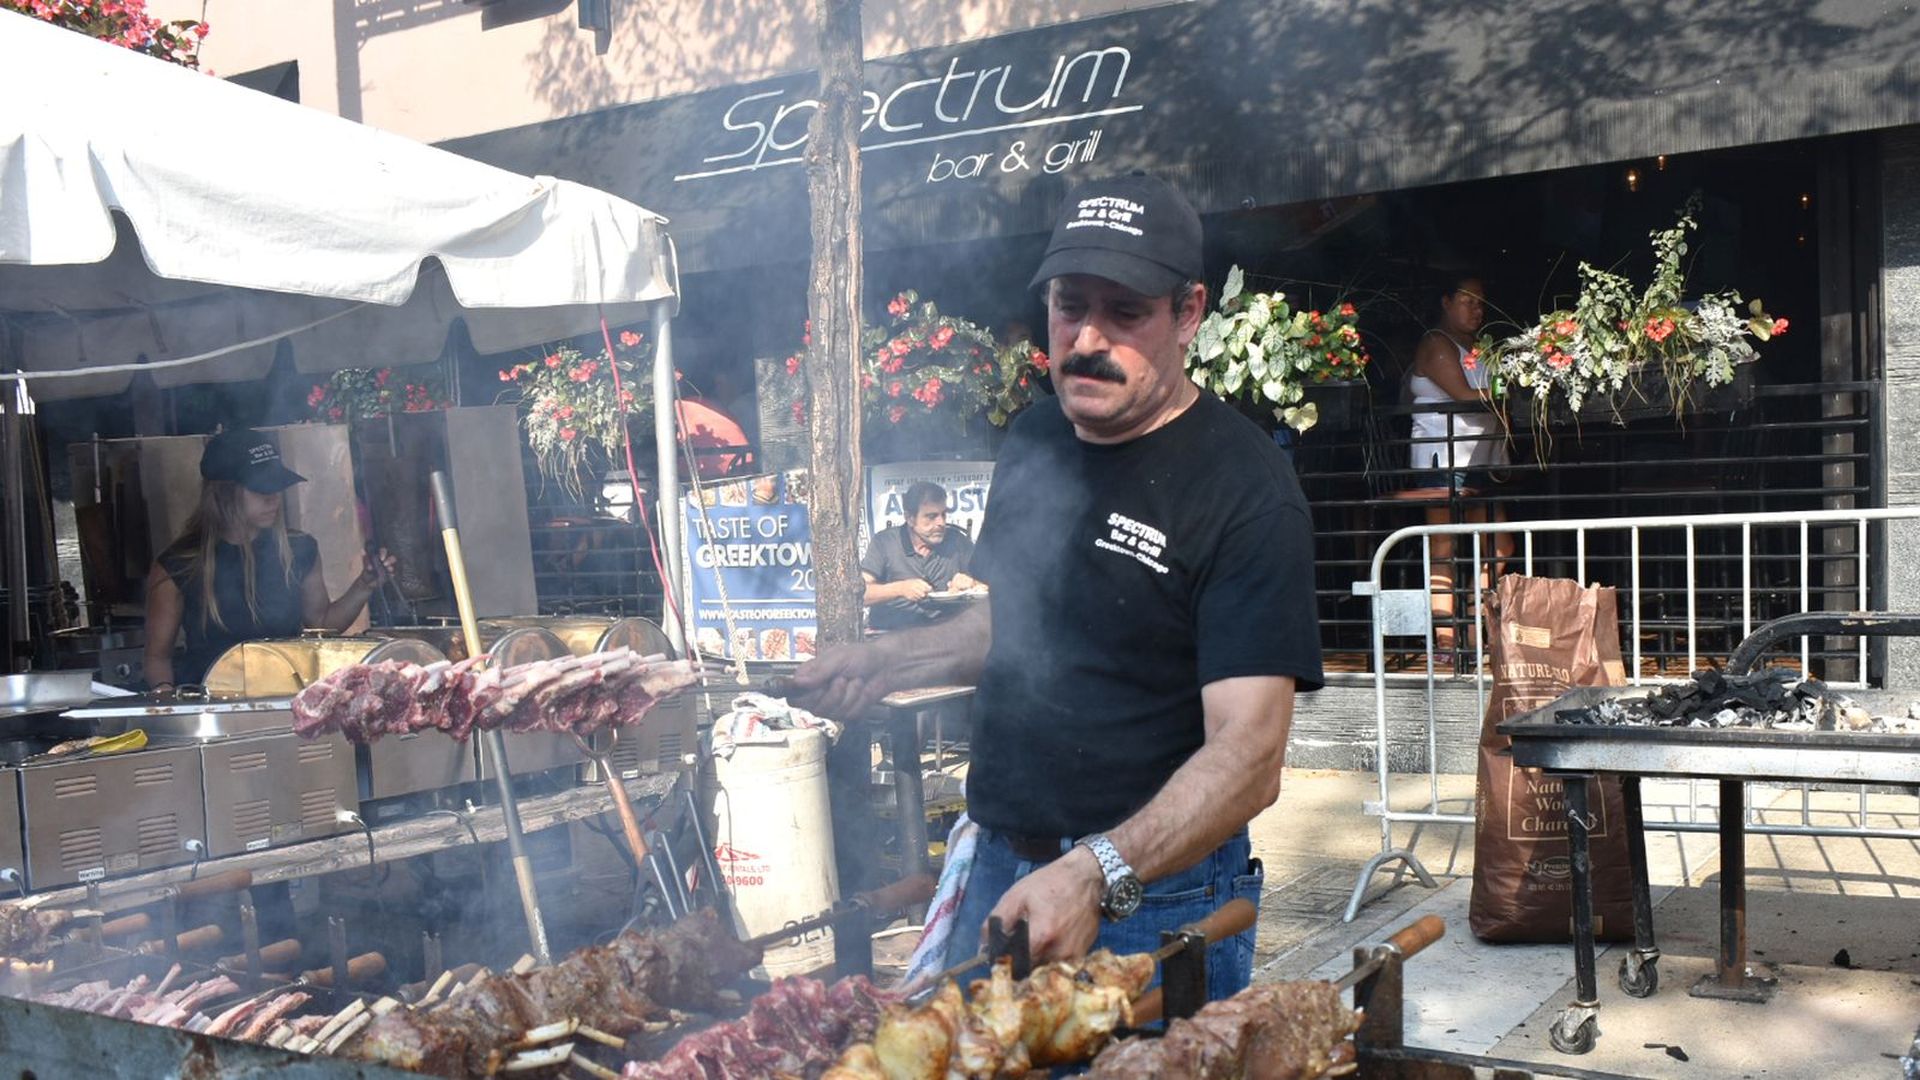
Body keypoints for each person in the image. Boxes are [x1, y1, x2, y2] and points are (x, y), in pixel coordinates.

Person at [793, 173, 1322, 1001]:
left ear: (1188, 313)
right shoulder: (1039, 435)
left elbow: (1250, 757)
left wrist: (1093, 870)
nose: (1086, 339)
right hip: (1002, 864)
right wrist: (886, 661)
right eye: (1070, 305)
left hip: (1152, 894)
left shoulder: (1245, 491)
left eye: (1126, 312)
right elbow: (1015, 626)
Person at [143, 429, 393, 691]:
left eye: (277, 486)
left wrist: (364, 586)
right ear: (225, 492)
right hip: (210, 704)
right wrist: (165, 695)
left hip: (286, 698)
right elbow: (157, 656)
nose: (273, 498)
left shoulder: (299, 549)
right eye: (261, 488)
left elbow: (321, 623)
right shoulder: (179, 564)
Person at [1404, 275, 1514, 652]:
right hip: (1444, 458)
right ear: (1446, 302)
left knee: (1500, 545)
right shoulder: (1436, 343)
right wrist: (1511, 393)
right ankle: (1448, 641)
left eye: (1480, 303)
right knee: (1445, 549)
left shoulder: (1477, 347)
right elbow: (1465, 395)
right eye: (1467, 301)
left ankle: (1470, 623)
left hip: (1477, 458)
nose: (1476, 309)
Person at [860, 481, 981, 631]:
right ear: (910, 518)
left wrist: (972, 584)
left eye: (943, 514)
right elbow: (861, 594)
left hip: (945, 635)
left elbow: (993, 584)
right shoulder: (884, 542)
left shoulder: (958, 541)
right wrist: (900, 589)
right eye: (931, 516)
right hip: (892, 635)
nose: (941, 523)